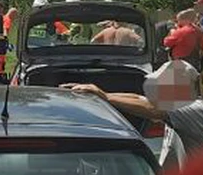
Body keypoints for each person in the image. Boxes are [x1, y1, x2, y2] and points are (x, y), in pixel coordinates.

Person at [62, 61, 203, 152]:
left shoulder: (194, 109)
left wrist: (105, 96)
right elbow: (138, 98)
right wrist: (99, 93)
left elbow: (152, 108)